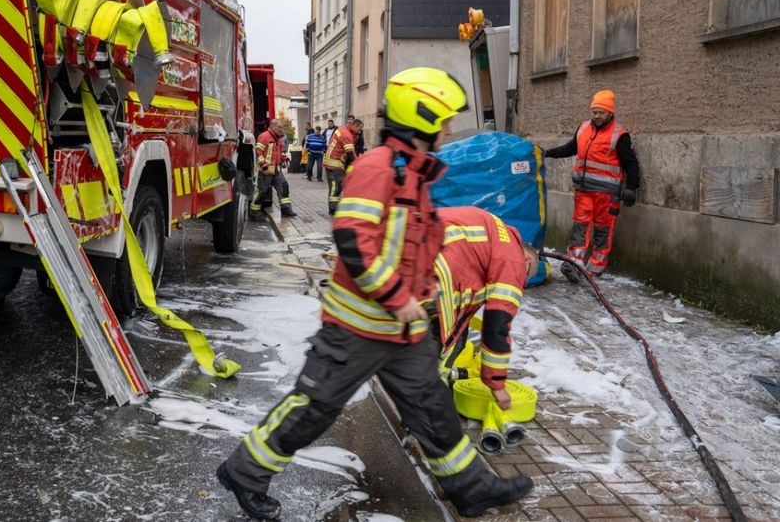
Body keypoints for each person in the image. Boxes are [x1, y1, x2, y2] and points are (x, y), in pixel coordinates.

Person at [216, 68, 531, 520]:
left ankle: (473, 489)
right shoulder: (376, 168)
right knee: (315, 409)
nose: (445, 130)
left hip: (405, 332)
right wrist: (397, 297)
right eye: (440, 121)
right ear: (419, 120)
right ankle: (245, 472)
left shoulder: (414, 177)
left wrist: (416, 305)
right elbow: (352, 238)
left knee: (434, 410)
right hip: (356, 330)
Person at [431, 207, 540, 412]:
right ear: (527, 260)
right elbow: (497, 322)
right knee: (438, 347)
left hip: (407, 251)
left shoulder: (493, 232)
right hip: (436, 274)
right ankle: (430, 414)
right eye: (525, 276)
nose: (521, 283)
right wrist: (497, 384)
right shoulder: (512, 258)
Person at [542, 90, 641, 281]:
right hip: (584, 190)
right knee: (580, 226)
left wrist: (631, 187)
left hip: (607, 194)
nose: (596, 116)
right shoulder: (583, 128)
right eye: (594, 112)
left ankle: (596, 267)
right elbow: (570, 148)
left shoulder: (619, 135)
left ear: (610, 113)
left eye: (600, 112)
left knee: (603, 229)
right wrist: (547, 153)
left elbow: (632, 163)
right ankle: (574, 263)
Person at [251, 118, 296, 220]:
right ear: (273, 126)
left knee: (284, 187)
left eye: (282, 127)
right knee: (262, 191)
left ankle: (286, 210)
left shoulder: (278, 138)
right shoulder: (264, 136)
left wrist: (284, 157)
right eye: (279, 127)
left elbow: (277, 153)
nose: (281, 129)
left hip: (276, 171)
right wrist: (264, 166)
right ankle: (254, 212)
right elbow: (258, 153)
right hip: (266, 171)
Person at [322, 118, 361, 214]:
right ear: (355, 126)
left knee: (336, 185)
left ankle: (335, 206)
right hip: (334, 163)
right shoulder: (347, 135)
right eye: (359, 129)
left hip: (331, 160)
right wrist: (358, 164)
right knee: (336, 186)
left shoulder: (342, 129)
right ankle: (333, 209)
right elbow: (350, 154)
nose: (360, 132)